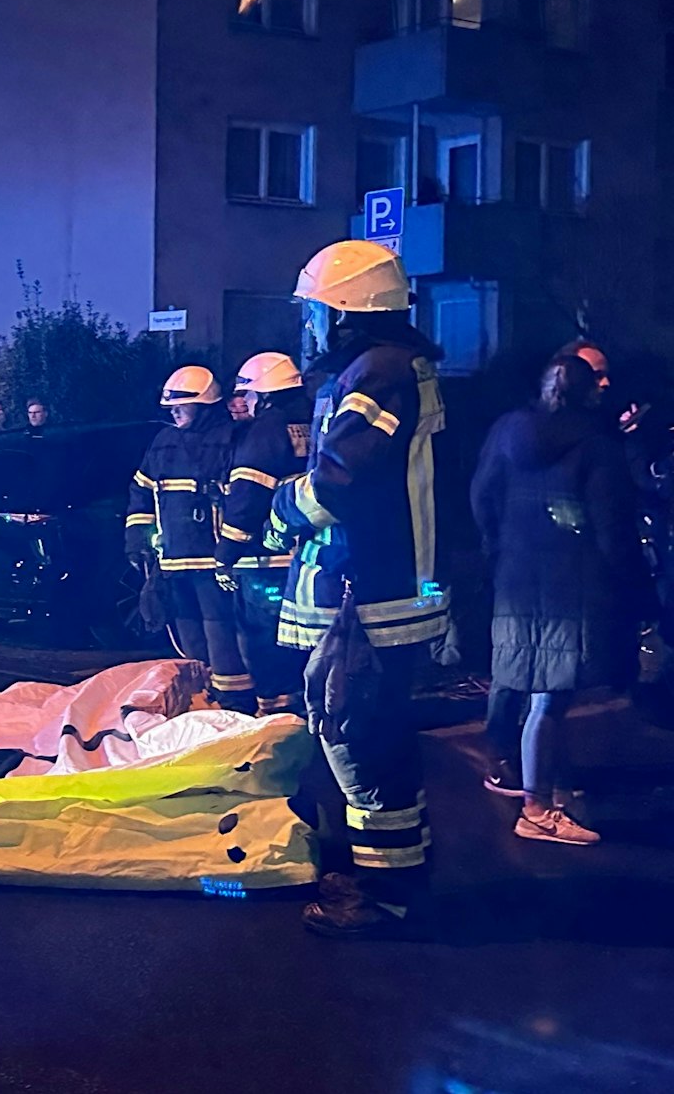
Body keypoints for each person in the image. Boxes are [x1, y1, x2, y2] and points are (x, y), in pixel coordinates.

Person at [263, 239, 449, 938]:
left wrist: (281, 512)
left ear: (346, 313)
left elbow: (341, 476)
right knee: (374, 740)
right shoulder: (383, 368)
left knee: (358, 742)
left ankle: (385, 896)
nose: (308, 325)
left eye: (316, 311)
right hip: (376, 592)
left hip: (368, 597)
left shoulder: (379, 373)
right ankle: (398, 876)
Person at [471, 356, 648, 845]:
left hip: (516, 579)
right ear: (588, 393)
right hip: (573, 585)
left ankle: (541, 787)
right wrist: (635, 590)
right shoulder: (597, 447)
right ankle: (537, 808)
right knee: (551, 698)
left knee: (530, 691)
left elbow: (482, 496)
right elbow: (613, 528)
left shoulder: (508, 430)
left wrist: (499, 549)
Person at [127, 367, 254, 713]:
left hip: (214, 559)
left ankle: (235, 700)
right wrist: (137, 537)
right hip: (173, 560)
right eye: (171, 408)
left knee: (221, 632)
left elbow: (244, 497)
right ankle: (200, 693)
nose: (174, 412)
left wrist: (231, 547)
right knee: (187, 631)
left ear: (205, 404)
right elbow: (141, 490)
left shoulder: (231, 438)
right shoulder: (163, 442)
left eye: (181, 405)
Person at [215, 352, 313, 715]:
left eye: (250, 396)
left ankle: (274, 714)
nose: (247, 403)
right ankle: (306, 709)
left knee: (263, 639)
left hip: (267, 556)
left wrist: (226, 553)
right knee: (304, 638)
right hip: (311, 556)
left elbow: (248, 496)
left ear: (265, 394)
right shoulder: (315, 420)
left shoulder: (265, 431)